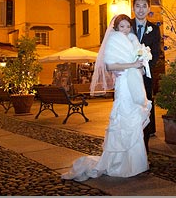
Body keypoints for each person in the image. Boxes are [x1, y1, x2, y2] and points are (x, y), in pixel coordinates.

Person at [61, 14, 152, 181]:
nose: (125, 29)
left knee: (133, 120)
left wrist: (142, 59)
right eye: (122, 26)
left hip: (134, 82)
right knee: (123, 118)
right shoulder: (113, 40)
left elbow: (138, 58)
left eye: (127, 26)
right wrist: (132, 65)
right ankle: (119, 163)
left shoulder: (132, 40)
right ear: (116, 27)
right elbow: (110, 65)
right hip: (124, 84)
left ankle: (136, 163)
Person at [131, 0, 161, 150]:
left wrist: (145, 68)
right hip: (128, 77)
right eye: (138, 6)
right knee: (129, 110)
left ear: (149, 8)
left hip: (145, 78)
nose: (141, 10)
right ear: (133, 8)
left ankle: (144, 147)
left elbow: (156, 54)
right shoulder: (126, 26)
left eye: (144, 6)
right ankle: (130, 145)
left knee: (146, 109)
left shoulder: (154, 29)